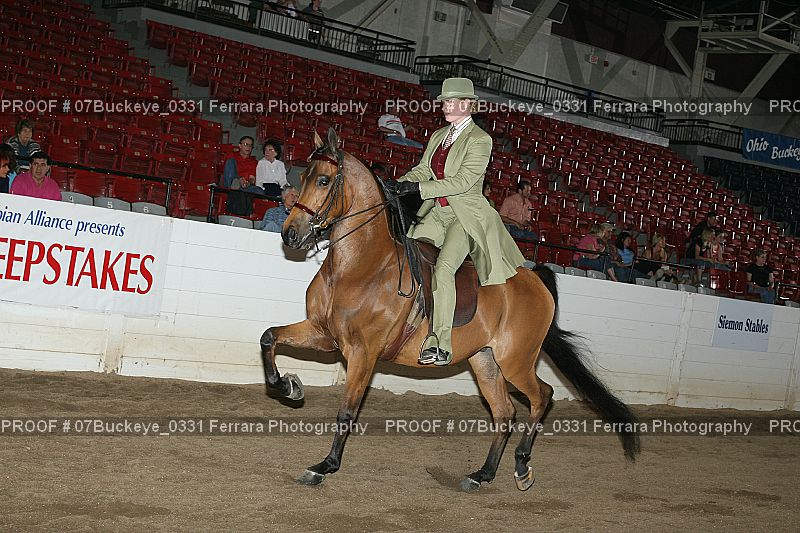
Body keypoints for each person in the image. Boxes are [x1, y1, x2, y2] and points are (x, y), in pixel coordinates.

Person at [383, 77, 525, 366]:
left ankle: (440, 342)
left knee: (445, 268)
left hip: (465, 215)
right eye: (445, 101)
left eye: (451, 101)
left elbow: (462, 182)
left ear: (467, 104)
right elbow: (424, 169)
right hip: (437, 211)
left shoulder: (480, 140)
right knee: (404, 253)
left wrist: (419, 189)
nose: (446, 106)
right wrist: (400, 183)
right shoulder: (439, 136)